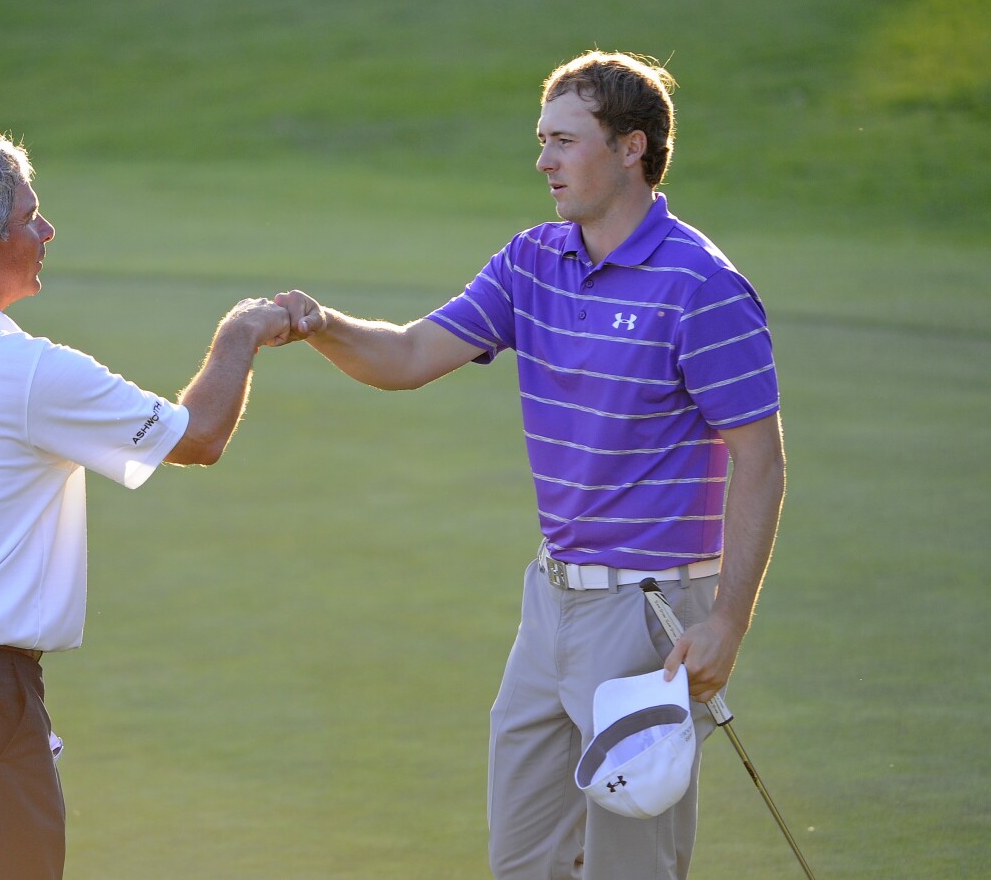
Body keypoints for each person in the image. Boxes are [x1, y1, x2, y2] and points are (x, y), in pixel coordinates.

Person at [274, 51, 786, 879]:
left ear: (631, 147)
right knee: (523, 861)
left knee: (631, 866)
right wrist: (318, 324)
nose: (543, 161)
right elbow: (407, 355)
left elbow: (760, 461)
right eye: (541, 140)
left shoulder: (702, 286)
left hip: (649, 616)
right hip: (549, 605)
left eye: (564, 141)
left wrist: (727, 620)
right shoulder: (531, 262)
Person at [0, 132, 290, 880]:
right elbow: (197, 437)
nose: (46, 231)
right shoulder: (27, 370)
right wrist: (243, 331)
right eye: (30, 217)